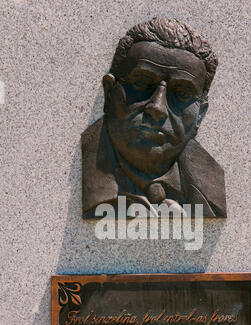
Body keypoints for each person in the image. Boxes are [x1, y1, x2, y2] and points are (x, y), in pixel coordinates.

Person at [82, 17, 226, 218]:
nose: (157, 107)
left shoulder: (210, 193)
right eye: (141, 83)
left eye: (182, 94)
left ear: (200, 114)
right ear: (109, 93)